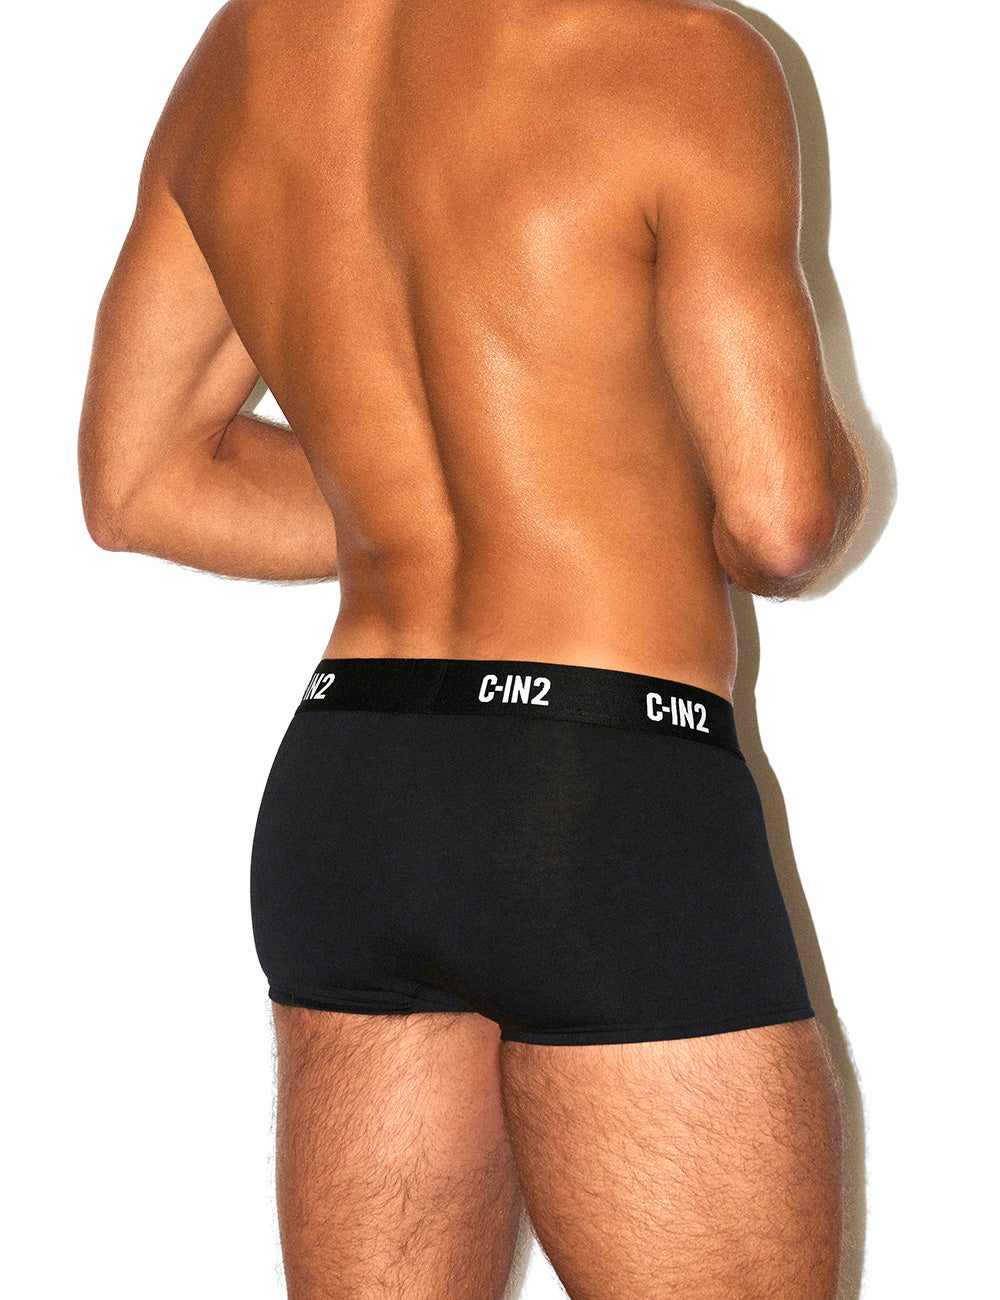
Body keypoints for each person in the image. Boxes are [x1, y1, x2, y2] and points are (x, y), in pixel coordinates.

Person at [78, 0, 869, 1295]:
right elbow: (781, 524)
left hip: (352, 788)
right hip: (595, 789)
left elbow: (141, 482)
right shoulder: (681, 55)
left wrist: (418, 509)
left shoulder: (245, 54)